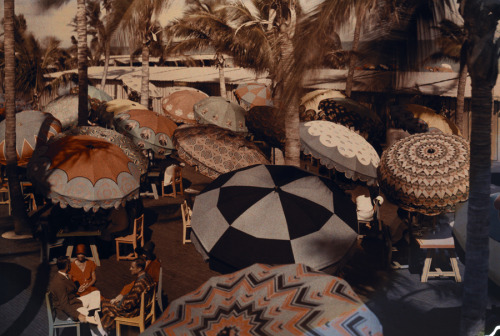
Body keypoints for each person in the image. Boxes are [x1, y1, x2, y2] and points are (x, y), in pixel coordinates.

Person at [48, 256, 107, 336]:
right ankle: (100, 333)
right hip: (66, 311)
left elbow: (69, 292)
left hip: (74, 302)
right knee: (94, 314)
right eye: (69, 264)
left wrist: (78, 290)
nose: (71, 266)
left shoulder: (64, 275)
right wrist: (78, 315)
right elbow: (64, 305)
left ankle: (91, 311)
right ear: (66, 266)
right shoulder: (58, 283)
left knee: (96, 293)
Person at [100, 258, 155, 333]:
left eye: (132, 267)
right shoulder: (147, 277)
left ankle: (106, 330)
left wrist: (117, 304)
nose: (130, 269)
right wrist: (123, 297)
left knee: (105, 304)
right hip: (143, 307)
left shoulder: (140, 284)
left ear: (139, 269)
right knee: (109, 305)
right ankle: (108, 328)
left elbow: (128, 305)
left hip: (134, 311)